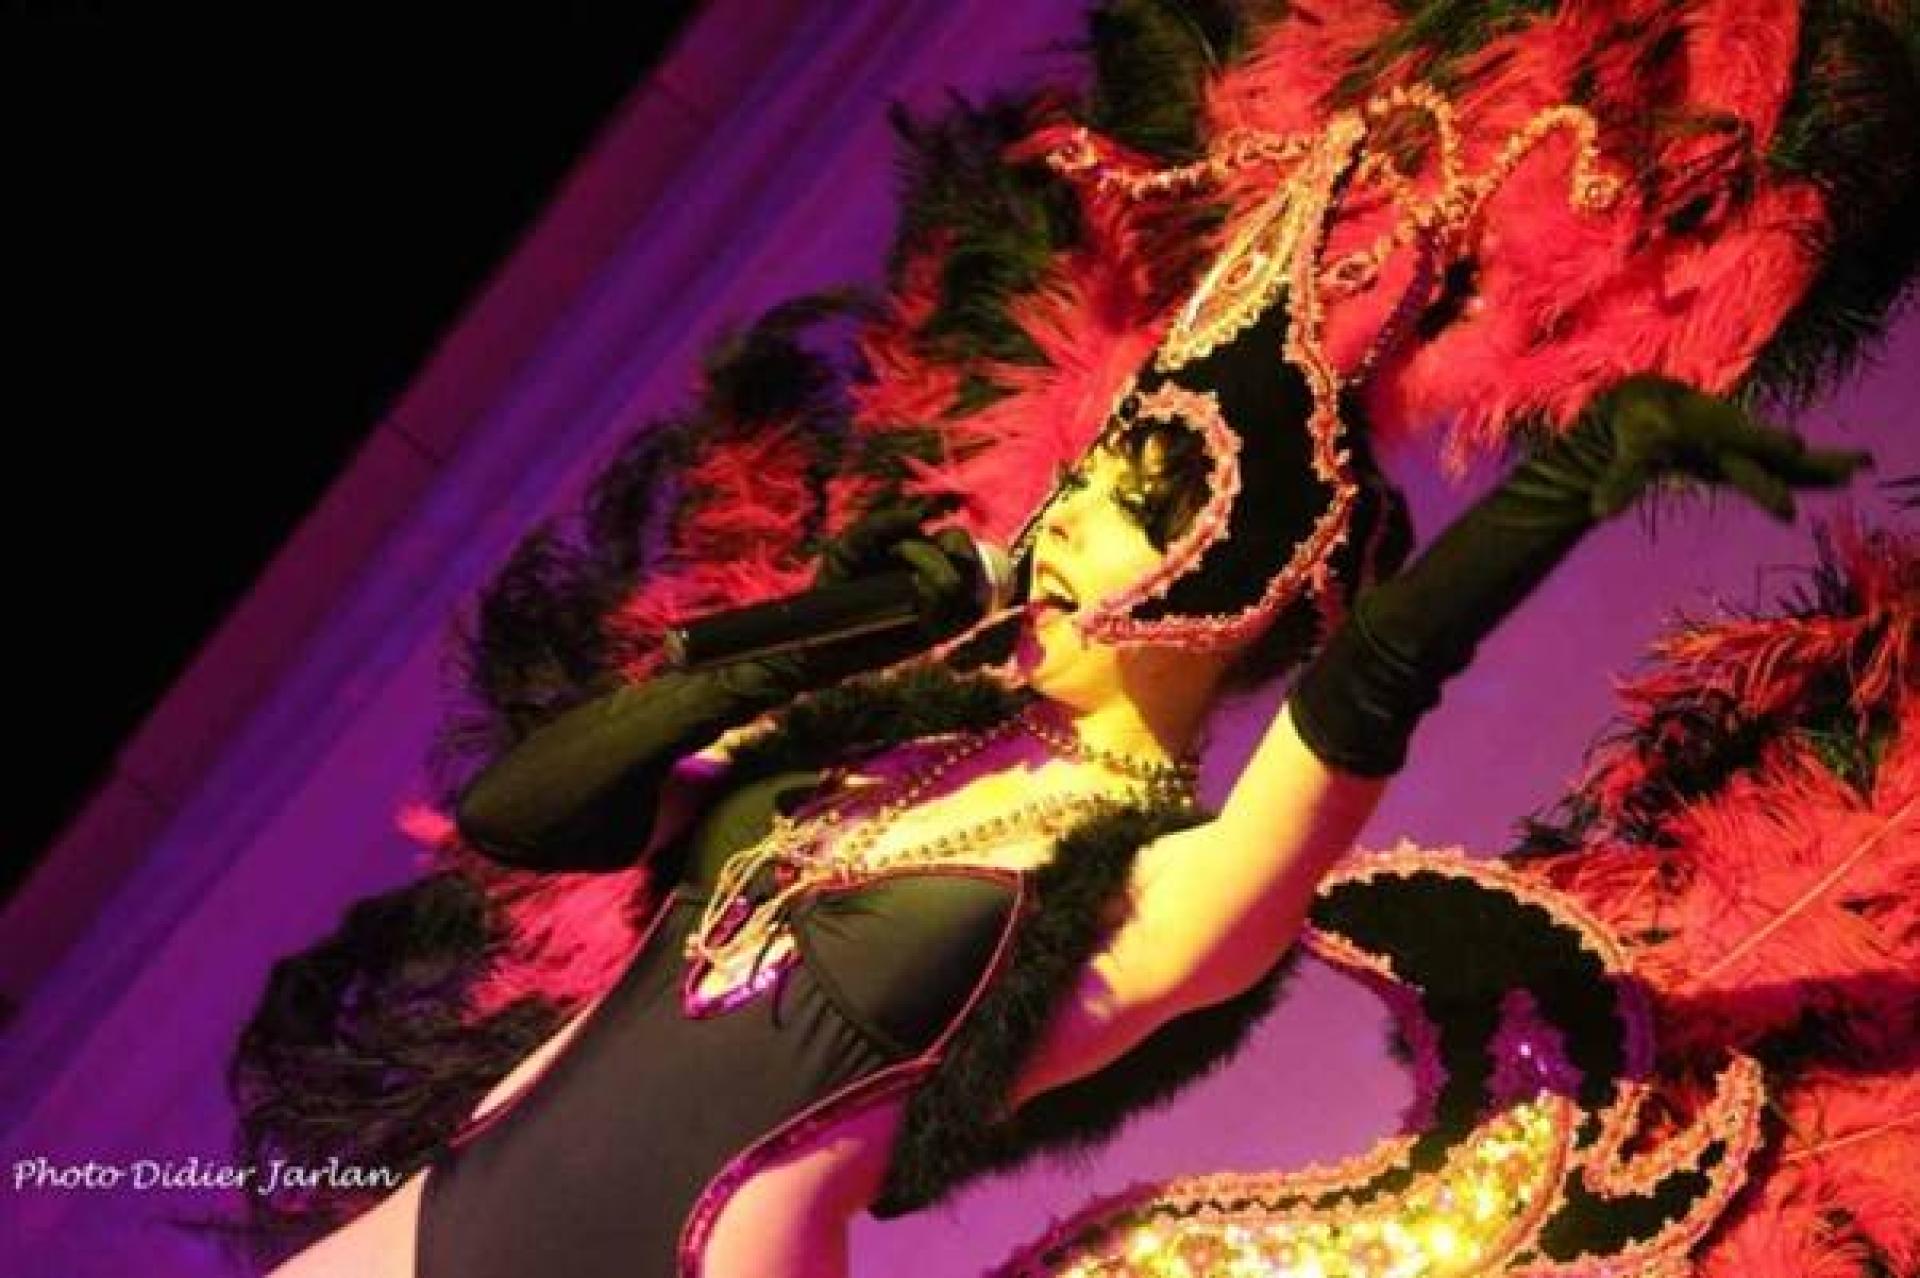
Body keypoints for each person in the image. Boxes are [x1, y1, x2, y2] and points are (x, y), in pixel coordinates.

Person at [259, 222, 1866, 1274]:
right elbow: (521, 812)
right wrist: (812, 645)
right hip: (426, 1226)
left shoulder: (1161, 896)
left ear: (1226, 588)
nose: (1057, 521)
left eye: (1117, 503)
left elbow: (1372, 678)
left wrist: (1570, 478)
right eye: (1075, 485)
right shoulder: (881, 741)